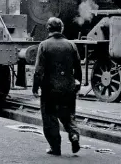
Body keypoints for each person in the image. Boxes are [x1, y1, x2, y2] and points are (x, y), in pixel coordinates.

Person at [32, 17, 82, 156]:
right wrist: (78, 83)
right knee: (68, 116)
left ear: (48, 29)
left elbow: (38, 70)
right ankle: (74, 135)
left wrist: (35, 87)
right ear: (62, 28)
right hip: (68, 87)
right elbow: (78, 67)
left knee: (50, 119)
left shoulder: (44, 45)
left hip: (49, 89)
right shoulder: (71, 45)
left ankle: (55, 147)